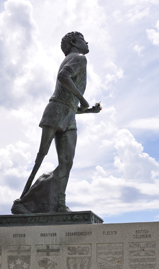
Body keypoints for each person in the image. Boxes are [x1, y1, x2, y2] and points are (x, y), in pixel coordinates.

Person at [11, 31, 101, 214]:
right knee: (41, 157)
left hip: (68, 116)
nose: (87, 42)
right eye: (83, 39)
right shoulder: (79, 57)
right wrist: (82, 99)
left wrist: (89, 109)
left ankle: (59, 204)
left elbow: (70, 104)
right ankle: (21, 201)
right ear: (75, 42)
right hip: (55, 111)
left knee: (66, 162)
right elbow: (63, 76)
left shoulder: (76, 58)